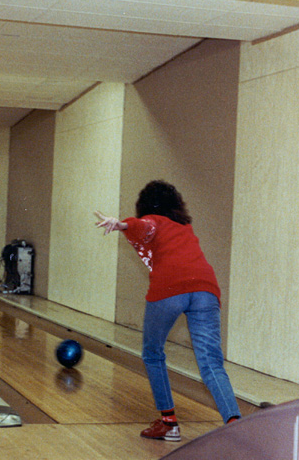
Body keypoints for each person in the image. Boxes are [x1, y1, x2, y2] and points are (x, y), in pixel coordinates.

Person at [95, 180, 241, 442]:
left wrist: (122, 224)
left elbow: (145, 227)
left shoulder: (153, 221)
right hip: (206, 289)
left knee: (152, 353)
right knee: (211, 363)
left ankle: (169, 424)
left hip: (170, 289)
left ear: (146, 205)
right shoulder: (185, 227)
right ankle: (235, 425)